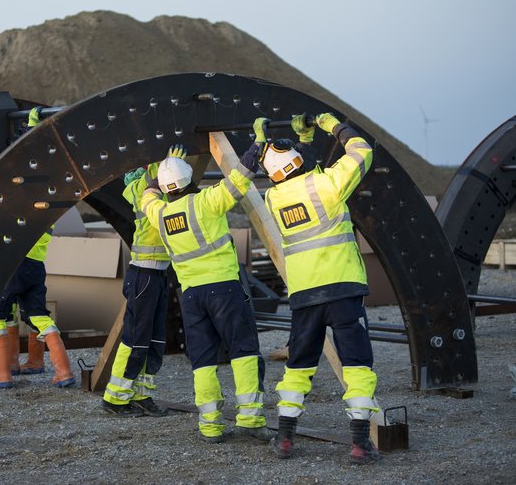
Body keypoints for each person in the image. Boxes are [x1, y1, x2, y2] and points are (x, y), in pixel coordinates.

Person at [258, 113, 381, 464]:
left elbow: (297, 176)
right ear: (297, 162)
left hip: (305, 295)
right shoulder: (326, 186)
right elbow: (361, 152)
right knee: (357, 364)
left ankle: (284, 439)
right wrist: (332, 126)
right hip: (342, 289)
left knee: (298, 365)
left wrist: (304, 143)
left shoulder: (273, 198)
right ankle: (360, 444)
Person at [140, 143, 274, 444]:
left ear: (165, 189)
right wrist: (255, 145)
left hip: (191, 296)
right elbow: (240, 178)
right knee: (244, 352)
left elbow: (147, 196)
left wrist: (161, 170)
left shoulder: (159, 214)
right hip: (224, 289)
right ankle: (251, 419)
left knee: (202, 360)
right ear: (191, 180)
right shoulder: (206, 202)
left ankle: (210, 425)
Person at [0, 106, 76, 389]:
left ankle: (2, 373)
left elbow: (20, 159)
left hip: (13, 264)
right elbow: (42, 163)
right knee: (38, 316)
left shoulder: (17, 195)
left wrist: (28, 131)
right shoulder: (47, 199)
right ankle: (61, 371)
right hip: (35, 267)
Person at [101, 155, 173, 418]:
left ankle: (141, 394)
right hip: (144, 275)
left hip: (157, 275)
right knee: (135, 339)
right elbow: (157, 175)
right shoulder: (140, 189)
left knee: (154, 338)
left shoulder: (150, 183)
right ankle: (115, 398)